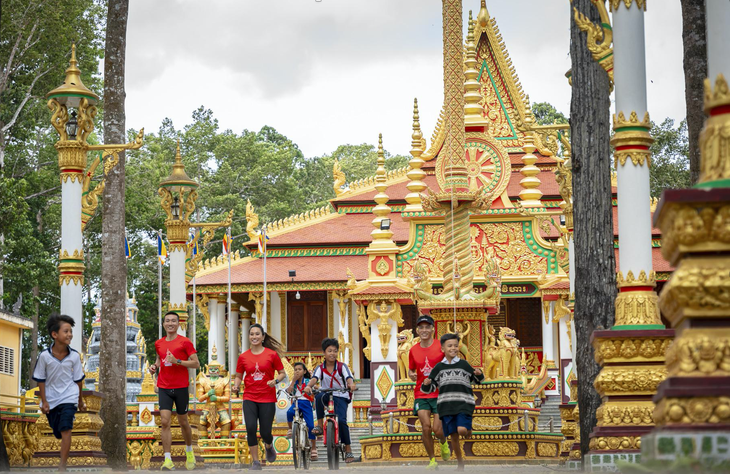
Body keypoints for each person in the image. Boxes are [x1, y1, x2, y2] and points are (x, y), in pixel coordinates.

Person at [422, 333, 484, 471]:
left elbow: (478, 380)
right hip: (446, 406)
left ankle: (467, 429)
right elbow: (429, 388)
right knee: (453, 437)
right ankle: (460, 463)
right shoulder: (438, 368)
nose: (453, 348)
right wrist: (426, 383)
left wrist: (479, 374)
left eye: (456, 346)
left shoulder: (464, 364)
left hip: (463, 403)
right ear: (443, 348)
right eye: (450, 346)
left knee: (461, 430)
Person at [33, 314, 86, 472]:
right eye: (66, 331)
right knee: (57, 431)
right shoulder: (44, 356)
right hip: (51, 398)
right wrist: (45, 401)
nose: (69, 334)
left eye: (70, 331)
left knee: (66, 429)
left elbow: (78, 380)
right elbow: (40, 379)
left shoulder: (75, 356)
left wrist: (80, 400)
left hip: (69, 397)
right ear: (54, 334)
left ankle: (62, 466)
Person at [149, 311, 200, 471]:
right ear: (163, 324)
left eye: (173, 321)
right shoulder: (159, 343)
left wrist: (177, 361)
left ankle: (189, 451)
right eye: (167, 321)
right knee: (165, 421)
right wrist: (155, 366)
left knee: (183, 422)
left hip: (180, 387)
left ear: (178, 324)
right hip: (164, 386)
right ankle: (167, 460)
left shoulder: (184, 342)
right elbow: (159, 358)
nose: (170, 323)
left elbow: (196, 364)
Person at [233, 323, 286, 470]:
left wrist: (274, 381)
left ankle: (269, 446)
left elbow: (282, 374)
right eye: (251, 334)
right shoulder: (243, 357)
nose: (254, 336)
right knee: (250, 427)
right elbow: (239, 376)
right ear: (248, 337)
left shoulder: (271, 355)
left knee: (265, 432)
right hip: (249, 396)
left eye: (257, 334)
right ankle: (256, 461)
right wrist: (236, 385)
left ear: (262, 337)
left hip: (267, 397)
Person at [303, 338, 358, 463]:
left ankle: (348, 449)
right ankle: (320, 425)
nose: (332, 353)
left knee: (343, 421)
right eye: (329, 351)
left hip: (341, 395)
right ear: (324, 353)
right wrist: (308, 386)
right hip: (326, 394)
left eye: (334, 351)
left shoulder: (342, 366)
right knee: (318, 396)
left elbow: (349, 378)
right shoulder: (320, 368)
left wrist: (351, 384)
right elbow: (314, 378)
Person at [408, 315, 451, 469]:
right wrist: (411, 374)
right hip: (421, 394)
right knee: (426, 426)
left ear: (433, 329)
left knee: (437, 430)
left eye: (427, 327)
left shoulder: (441, 346)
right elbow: (411, 369)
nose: (424, 330)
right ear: (417, 330)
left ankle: (444, 442)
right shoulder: (413, 350)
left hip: (439, 393)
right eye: (421, 327)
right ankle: (432, 460)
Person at [285, 362, 317, 461]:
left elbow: (314, 388)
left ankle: (314, 447)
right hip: (296, 402)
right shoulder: (293, 381)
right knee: (289, 413)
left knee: (311, 426)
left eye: (299, 369)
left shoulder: (308, 381)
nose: (297, 371)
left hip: (306, 404)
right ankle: (290, 429)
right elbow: (289, 391)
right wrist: (293, 380)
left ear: (304, 371)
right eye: (295, 369)